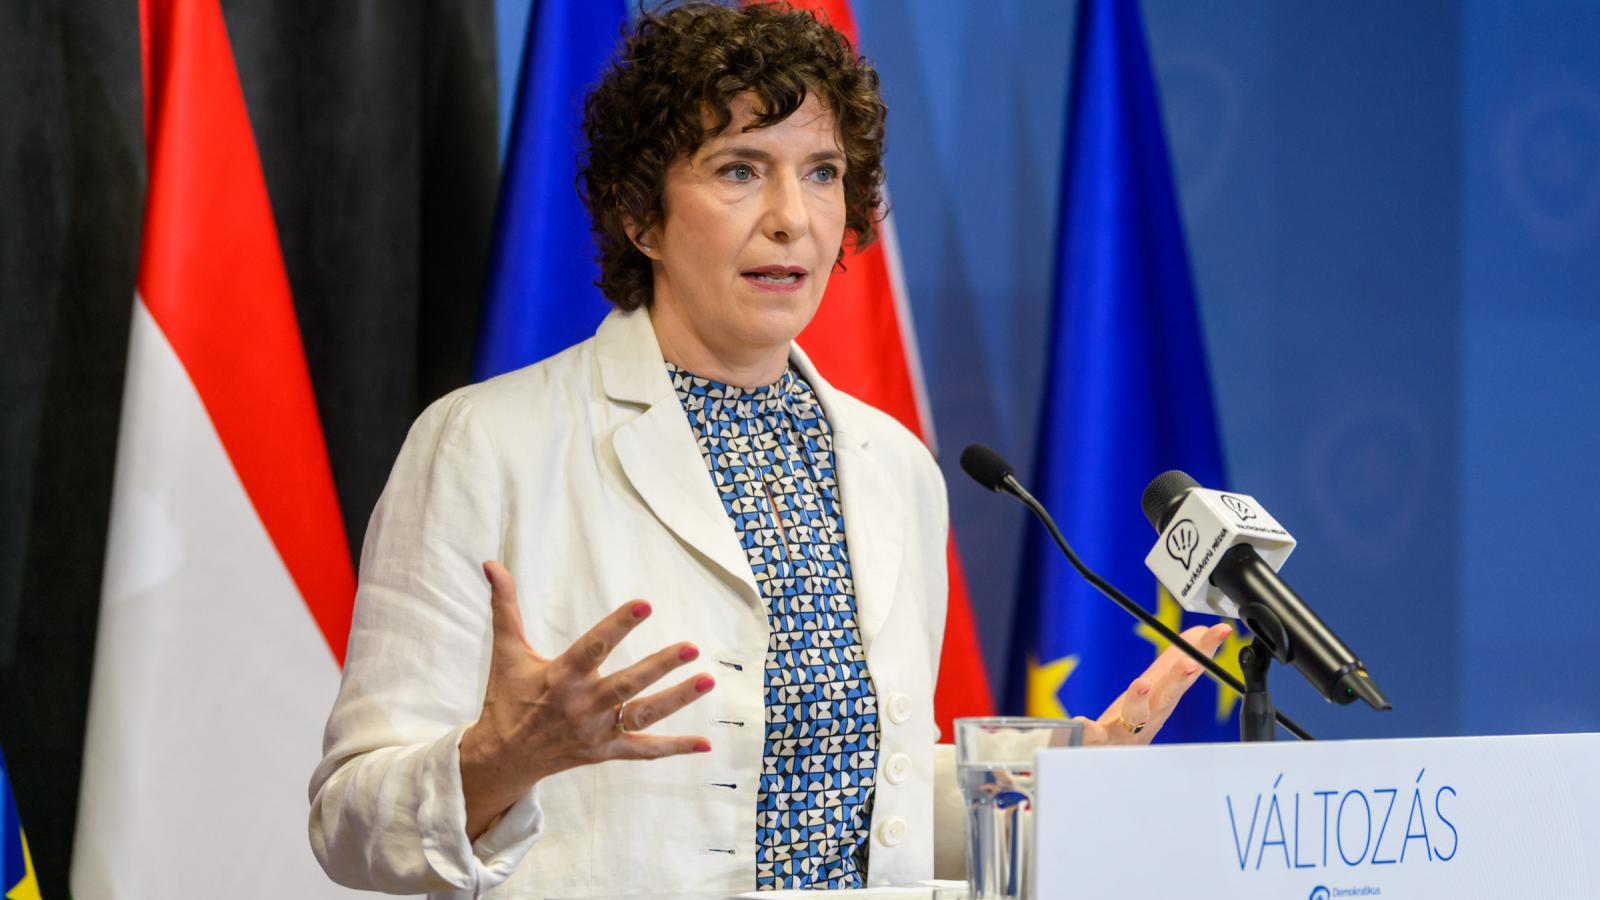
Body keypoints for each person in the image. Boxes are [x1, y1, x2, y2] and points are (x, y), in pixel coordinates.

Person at [307, 3, 1231, 897]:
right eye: (741, 169)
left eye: (822, 172)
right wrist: (500, 760)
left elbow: (852, 807)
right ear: (639, 214)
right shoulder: (485, 443)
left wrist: (1048, 787)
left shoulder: (894, 466)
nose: (793, 216)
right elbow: (348, 823)